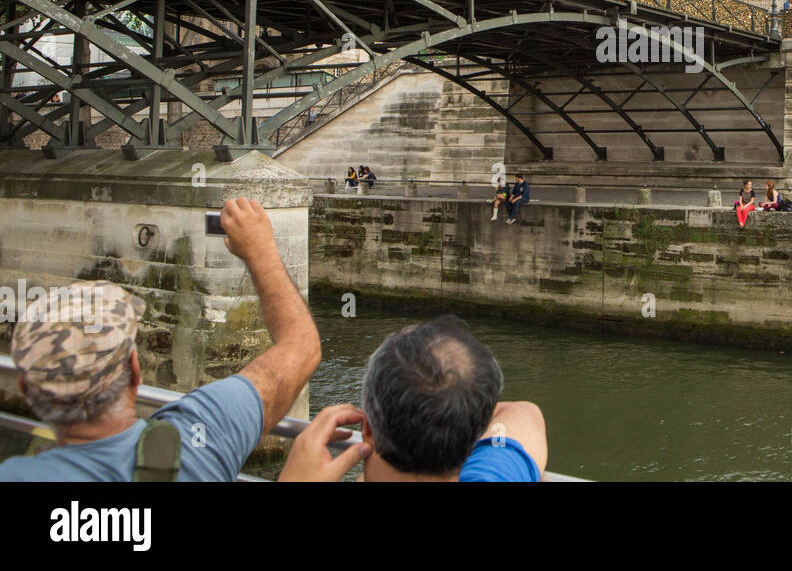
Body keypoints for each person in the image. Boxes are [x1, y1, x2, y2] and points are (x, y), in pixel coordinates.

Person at [0, 198, 321, 481]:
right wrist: (260, 250)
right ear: (134, 371)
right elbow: (301, 346)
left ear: (27, 389)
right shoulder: (203, 437)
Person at [277, 315, 546, 482]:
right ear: (473, 437)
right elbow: (525, 415)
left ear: (367, 429)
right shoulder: (493, 474)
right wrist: (455, 418)